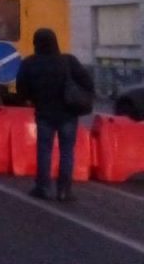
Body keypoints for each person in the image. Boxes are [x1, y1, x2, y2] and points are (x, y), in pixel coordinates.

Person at [16, 28, 95, 201]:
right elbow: (88, 82)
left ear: (36, 43)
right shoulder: (68, 61)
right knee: (67, 151)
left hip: (44, 113)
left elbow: (21, 91)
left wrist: (33, 98)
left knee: (44, 150)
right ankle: (64, 190)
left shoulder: (30, 63)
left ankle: (43, 187)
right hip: (68, 114)